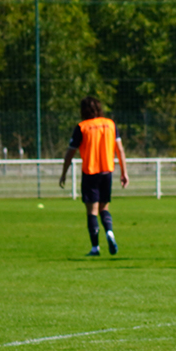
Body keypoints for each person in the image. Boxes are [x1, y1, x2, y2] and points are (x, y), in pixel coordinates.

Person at [59, 96, 129, 256]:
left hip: (90, 172)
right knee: (104, 207)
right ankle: (110, 232)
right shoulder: (110, 124)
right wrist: (124, 172)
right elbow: (120, 149)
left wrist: (64, 172)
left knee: (92, 211)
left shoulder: (82, 127)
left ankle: (95, 247)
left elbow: (70, 152)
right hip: (107, 172)